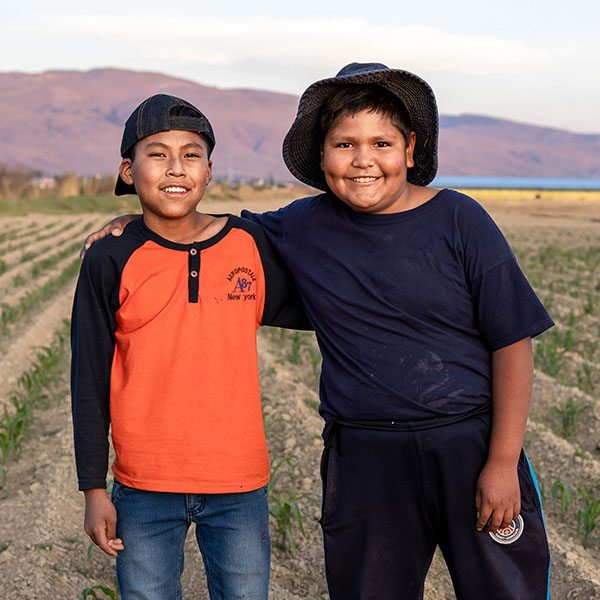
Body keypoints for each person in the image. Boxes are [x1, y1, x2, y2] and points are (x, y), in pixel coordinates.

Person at [82, 64, 554, 599]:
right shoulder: (301, 225)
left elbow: (512, 341)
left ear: (411, 148)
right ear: (322, 155)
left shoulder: (460, 220)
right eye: (344, 144)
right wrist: (132, 227)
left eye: (382, 142)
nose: (363, 160)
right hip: (364, 454)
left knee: (505, 589)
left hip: (467, 442)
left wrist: (499, 461)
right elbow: (204, 230)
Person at [71, 94, 308, 600]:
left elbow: (330, 288)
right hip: (142, 486)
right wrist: (93, 487)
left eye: (192, 154)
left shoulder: (248, 244)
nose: (176, 168)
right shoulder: (110, 257)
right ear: (128, 171)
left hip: (239, 483)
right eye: (157, 154)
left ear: (209, 171)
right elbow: (87, 377)